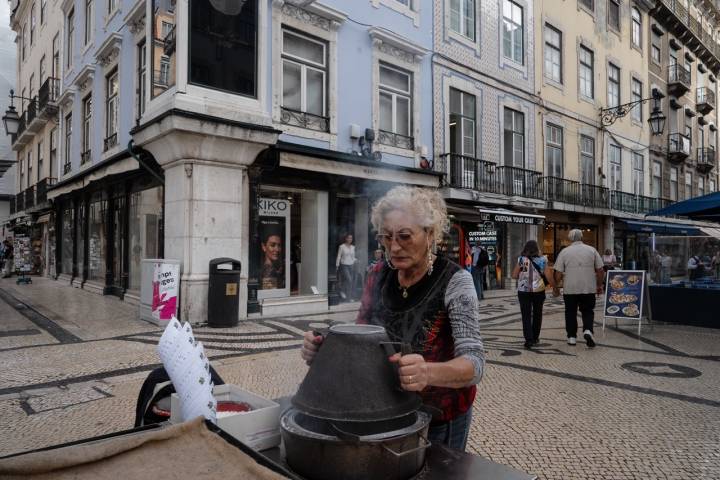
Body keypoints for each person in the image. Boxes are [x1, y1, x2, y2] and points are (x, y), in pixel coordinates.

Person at [301, 186, 484, 451]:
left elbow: (475, 363)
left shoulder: (456, 281)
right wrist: (324, 348)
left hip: (440, 417)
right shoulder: (378, 274)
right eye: (386, 237)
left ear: (430, 234)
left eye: (405, 236)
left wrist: (427, 372)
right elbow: (360, 337)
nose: (394, 247)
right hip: (384, 407)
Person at [553, 229, 604, 348]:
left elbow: (558, 272)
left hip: (570, 288)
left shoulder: (565, 252)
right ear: (582, 237)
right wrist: (599, 285)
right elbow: (600, 270)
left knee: (570, 312)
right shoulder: (592, 250)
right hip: (588, 287)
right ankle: (588, 330)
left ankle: (571, 337)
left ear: (570, 238)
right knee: (587, 311)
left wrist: (556, 286)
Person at [511, 240, 556, 349]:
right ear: (537, 249)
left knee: (526, 315)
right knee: (537, 314)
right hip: (538, 291)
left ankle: (528, 340)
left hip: (524, 291)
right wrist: (555, 287)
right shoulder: (543, 260)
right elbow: (549, 277)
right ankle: (535, 337)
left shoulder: (521, 260)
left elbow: (514, 275)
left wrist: (524, 274)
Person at [335, 234, 357, 301]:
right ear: (346, 239)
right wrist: (337, 265)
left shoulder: (353, 247)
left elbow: (353, 257)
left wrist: (356, 260)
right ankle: (342, 291)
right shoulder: (342, 247)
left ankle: (348, 297)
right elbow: (339, 256)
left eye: (351, 238)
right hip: (344, 265)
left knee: (349, 281)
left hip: (351, 265)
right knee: (349, 280)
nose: (350, 239)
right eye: (349, 238)